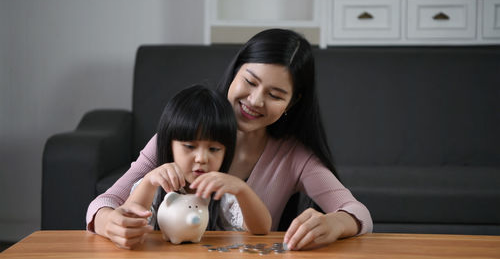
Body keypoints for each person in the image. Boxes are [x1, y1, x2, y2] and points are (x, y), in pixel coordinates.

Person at [87, 28, 373, 251]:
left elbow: (358, 212)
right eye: (249, 82)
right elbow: (106, 201)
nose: (255, 101)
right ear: (235, 71)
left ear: (292, 103)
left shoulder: (294, 157)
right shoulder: (180, 136)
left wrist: (334, 223)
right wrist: (109, 222)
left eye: (275, 95)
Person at [94, 85, 271, 249]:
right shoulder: (155, 187)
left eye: (214, 149)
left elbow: (261, 229)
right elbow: (129, 219)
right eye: (190, 147)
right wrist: (148, 182)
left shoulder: (221, 192)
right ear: (168, 145)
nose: (202, 158)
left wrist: (242, 189)